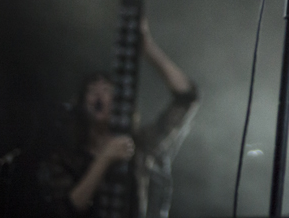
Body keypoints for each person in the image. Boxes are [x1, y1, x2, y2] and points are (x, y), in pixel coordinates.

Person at [37, 18, 199, 217]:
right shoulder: (67, 159)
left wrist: (147, 47)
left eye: (106, 90)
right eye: (92, 90)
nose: (99, 95)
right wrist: (105, 158)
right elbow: (66, 209)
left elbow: (186, 97)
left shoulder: (142, 146)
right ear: (81, 103)